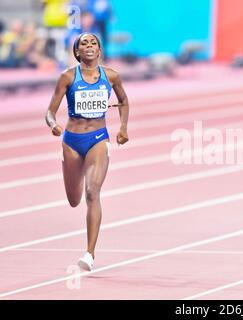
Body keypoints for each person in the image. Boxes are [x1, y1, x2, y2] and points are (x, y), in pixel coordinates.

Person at [45, 32, 129, 271]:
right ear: (77, 51)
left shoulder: (111, 76)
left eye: (93, 43)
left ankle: (89, 254)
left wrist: (123, 127)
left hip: (98, 139)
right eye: (84, 43)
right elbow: (50, 111)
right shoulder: (68, 77)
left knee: (93, 192)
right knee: (74, 200)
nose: (89, 46)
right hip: (72, 141)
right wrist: (53, 125)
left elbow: (124, 101)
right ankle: (78, 173)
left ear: (99, 49)